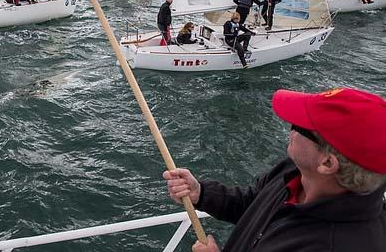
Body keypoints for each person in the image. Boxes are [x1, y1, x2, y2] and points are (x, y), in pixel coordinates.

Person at [164, 87, 386, 252]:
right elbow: (254, 204)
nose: (289, 127)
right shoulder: (294, 171)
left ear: (327, 164)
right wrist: (201, 193)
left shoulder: (336, 245)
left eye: (298, 126)